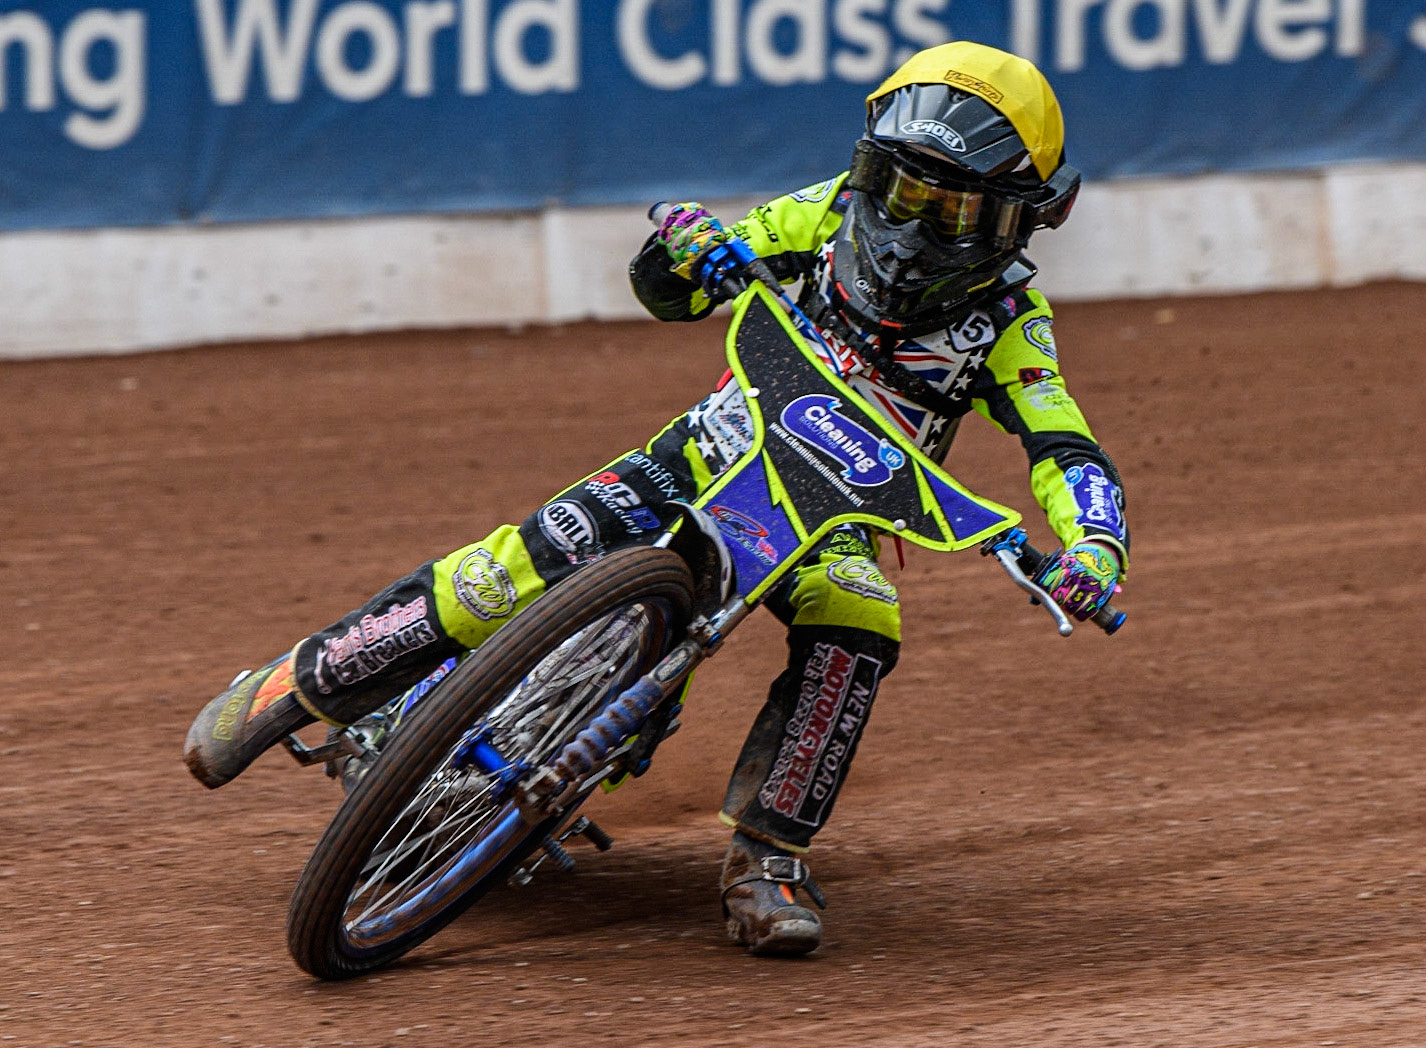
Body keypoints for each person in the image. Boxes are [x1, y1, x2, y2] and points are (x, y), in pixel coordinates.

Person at [184, 41, 1130, 958]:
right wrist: (685, 251)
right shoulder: (825, 215)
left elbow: (1063, 444)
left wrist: (1091, 550)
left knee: (860, 620)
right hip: (707, 453)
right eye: (903, 189)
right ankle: (298, 681)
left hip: (837, 521)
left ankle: (770, 857)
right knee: (525, 556)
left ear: (1018, 219)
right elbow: (670, 289)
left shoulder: (1008, 327)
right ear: (866, 170)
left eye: (954, 207)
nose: (917, 223)